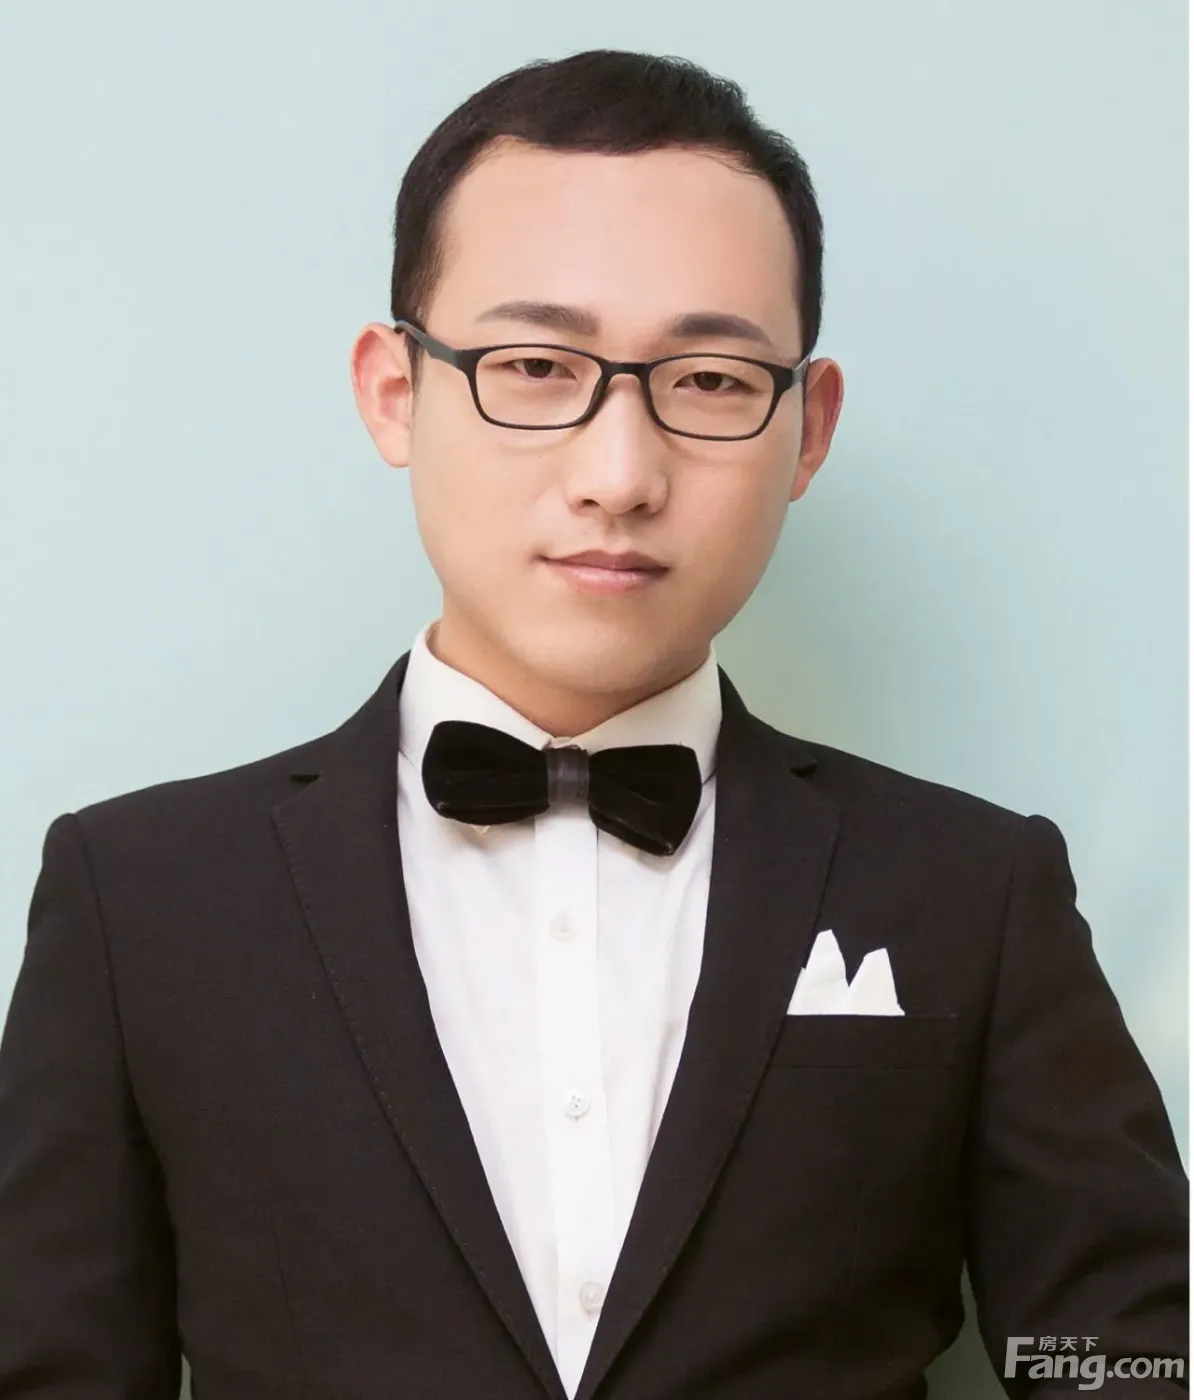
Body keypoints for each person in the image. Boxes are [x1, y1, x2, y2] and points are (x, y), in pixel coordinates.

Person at [0, 46, 1186, 1400]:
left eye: (711, 381)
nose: (619, 475)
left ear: (807, 430)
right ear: (395, 391)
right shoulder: (139, 900)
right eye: (533, 365)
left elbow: (1124, 1361)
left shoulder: (972, 892)